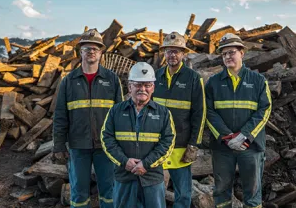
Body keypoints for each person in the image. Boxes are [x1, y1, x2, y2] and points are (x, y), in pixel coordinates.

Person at [53, 29, 124, 208]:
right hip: (78, 146)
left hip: (106, 146)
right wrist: (59, 146)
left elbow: (121, 115)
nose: (91, 51)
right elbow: (60, 115)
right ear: (80, 52)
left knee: (110, 190)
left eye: (95, 48)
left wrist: (121, 143)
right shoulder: (68, 81)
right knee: (78, 191)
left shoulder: (112, 79)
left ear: (101, 52)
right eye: (86, 48)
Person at [204, 33, 272, 207]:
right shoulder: (213, 83)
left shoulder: (258, 81)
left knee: (253, 190)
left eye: (231, 52)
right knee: (221, 190)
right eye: (224, 54)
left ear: (242, 52)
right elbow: (208, 112)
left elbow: (265, 109)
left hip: (250, 145)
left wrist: (244, 135)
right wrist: (227, 137)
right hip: (223, 147)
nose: (227, 56)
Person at [101, 62, 175, 208]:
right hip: (124, 176)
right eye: (138, 85)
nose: (143, 89)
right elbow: (106, 139)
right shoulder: (115, 111)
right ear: (130, 87)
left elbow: (168, 142)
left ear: (153, 87)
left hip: (152, 177)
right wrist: (124, 161)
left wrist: (145, 164)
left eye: (147, 85)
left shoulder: (163, 113)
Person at [152, 32, 206, 208]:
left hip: (182, 146)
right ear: (164, 53)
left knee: (183, 194)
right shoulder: (156, 77)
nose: (172, 55)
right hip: (158, 144)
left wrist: (194, 144)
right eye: (168, 51)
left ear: (183, 54)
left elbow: (200, 113)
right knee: (156, 191)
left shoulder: (193, 78)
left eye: (176, 51)